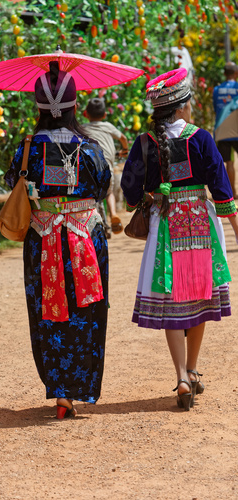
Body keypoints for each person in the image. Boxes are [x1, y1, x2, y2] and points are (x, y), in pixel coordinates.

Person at [121, 68, 238, 411]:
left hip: (164, 226)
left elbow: (130, 192)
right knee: (200, 297)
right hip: (201, 225)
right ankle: (192, 367)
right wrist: (235, 228)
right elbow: (222, 190)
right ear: (183, 107)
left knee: (173, 301)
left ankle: (181, 377)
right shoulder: (201, 138)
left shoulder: (145, 143)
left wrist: (149, 197)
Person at [5, 62, 111, 419]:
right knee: (87, 311)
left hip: (42, 239)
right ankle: (79, 386)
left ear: (38, 108)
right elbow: (102, 185)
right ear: (75, 105)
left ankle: (59, 390)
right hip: (85, 239)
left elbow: (11, 182)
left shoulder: (26, 149)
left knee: (47, 312)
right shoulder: (91, 148)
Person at [84, 97, 128, 237]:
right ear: (104, 115)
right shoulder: (108, 126)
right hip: (106, 166)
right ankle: (113, 214)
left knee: (91, 195)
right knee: (109, 193)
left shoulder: (83, 128)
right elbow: (123, 138)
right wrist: (125, 149)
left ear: (86, 114)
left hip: (89, 168)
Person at [213, 61, 238, 198]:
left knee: (229, 162)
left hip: (222, 130)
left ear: (224, 74)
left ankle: (232, 193)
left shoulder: (217, 90)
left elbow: (216, 109)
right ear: (236, 73)